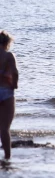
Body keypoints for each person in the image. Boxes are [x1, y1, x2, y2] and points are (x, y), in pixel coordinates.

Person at [0, 31, 19, 160]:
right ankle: (7, 157)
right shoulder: (8, 56)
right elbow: (15, 72)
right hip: (6, 92)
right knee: (5, 128)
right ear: (6, 43)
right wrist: (15, 85)